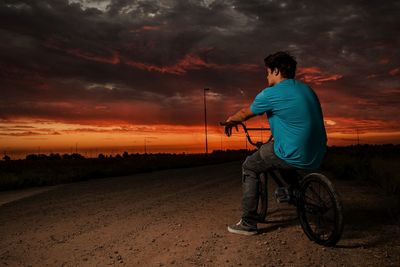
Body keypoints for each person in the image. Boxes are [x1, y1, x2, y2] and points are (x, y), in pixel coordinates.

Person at [222, 51, 327, 235]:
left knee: (251, 166)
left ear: (276, 71)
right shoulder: (307, 89)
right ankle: (294, 191)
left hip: (293, 151)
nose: (266, 76)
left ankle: (248, 222)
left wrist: (231, 120)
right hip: (318, 152)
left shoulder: (270, 93)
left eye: (268, 72)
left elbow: (246, 113)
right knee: (282, 157)